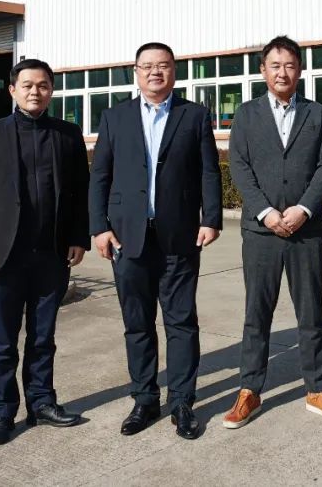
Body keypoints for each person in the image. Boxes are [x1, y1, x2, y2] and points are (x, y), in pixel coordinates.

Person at [89, 42, 222, 440]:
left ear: (173, 72)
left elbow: (209, 171)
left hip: (179, 235)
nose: (155, 72)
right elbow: (100, 175)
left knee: (181, 322)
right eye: (147, 66)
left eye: (162, 65)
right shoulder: (115, 117)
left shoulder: (194, 115)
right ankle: (144, 399)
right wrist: (99, 227)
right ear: (136, 72)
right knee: (137, 323)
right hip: (127, 237)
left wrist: (211, 219)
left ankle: (182, 401)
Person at [0, 58, 90, 446]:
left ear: (51, 91)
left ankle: (42, 402)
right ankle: (2, 412)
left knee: (43, 336)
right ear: (12, 90)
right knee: (3, 341)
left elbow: (81, 192)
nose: (36, 91)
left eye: (43, 85)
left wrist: (78, 237)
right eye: (28, 85)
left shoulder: (67, 135)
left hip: (51, 254)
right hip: (3, 256)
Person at [222, 35, 322, 428]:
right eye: (275, 65)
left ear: (300, 71)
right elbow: (239, 166)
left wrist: (303, 209)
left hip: (305, 231)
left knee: (310, 312)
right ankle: (249, 390)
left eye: (290, 65)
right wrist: (265, 213)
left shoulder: (316, 113)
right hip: (260, 232)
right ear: (263, 70)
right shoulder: (246, 114)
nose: (282, 72)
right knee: (256, 313)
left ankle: (318, 389)